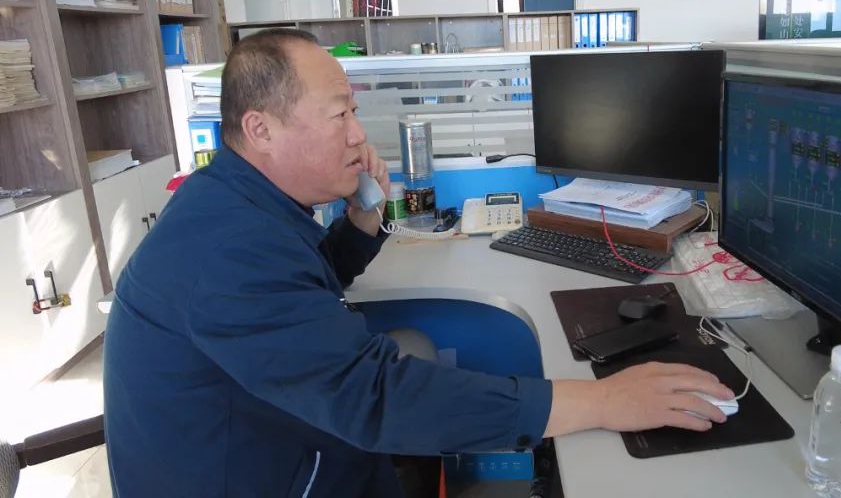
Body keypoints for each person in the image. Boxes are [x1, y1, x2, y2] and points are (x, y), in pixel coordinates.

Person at [103, 29, 733, 497]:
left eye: (353, 111)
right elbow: (374, 397)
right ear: (261, 129)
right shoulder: (228, 249)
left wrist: (362, 223)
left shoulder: (240, 206)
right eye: (340, 113)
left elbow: (296, 297)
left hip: (280, 445)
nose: (358, 133)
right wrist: (599, 402)